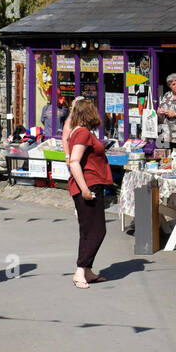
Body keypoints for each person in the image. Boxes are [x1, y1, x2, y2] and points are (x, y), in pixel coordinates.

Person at [66, 97, 112, 289]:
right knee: (97, 230)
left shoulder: (75, 131)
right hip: (89, 185)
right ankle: (80, 270)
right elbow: (74, 161)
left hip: (88, 184)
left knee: (87, 230)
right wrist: (84, 189)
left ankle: (87, 270)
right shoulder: (83, 133)